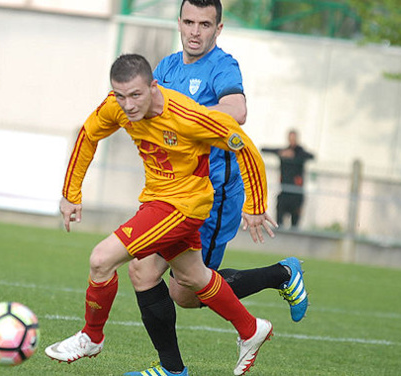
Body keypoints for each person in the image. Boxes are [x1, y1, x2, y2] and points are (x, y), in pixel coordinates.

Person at [44, 54, 275, 376]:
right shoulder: (117, 106)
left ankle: (91, 337)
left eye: (136, 95)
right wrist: (71, 193)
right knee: (193, 277)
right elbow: (88, 135)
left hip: (184, 206)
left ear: (154, 87)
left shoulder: (189, 116)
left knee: (101, 259)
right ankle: (250, 329)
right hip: (157, 199)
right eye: (121, 95)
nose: (128, 105)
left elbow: (245, 148)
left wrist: (255, 204)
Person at [125, 1, 309, 375]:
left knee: (186, 289)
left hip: (213, 197)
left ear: (218, 29)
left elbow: (236, 110)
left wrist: (186, 119)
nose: (195, 31)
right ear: (179, 23)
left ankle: (282, 276)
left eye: (205, 24)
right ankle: (173, 369)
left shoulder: (222, 65)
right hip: (175, 193)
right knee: (149, 275)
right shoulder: (167, 67)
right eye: (189, 22)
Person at [262, 129, 315, 228]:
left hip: (296, 193)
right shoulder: (284, 151)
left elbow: (312, 156)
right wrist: (283, 153)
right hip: (284, 192)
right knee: (279, 221)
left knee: (295, 224)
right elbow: (264, 149)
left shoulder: (300, 152)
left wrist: (294, 156)